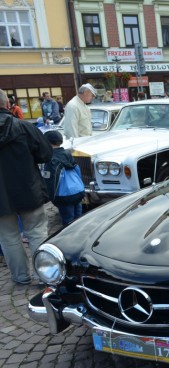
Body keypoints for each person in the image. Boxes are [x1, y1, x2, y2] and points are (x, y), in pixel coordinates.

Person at [0, 88, 53, 285]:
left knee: (8, 237)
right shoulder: (23, 127)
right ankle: (44, 275)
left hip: (1, 197)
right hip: (27, 188)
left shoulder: (23, 127)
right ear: (7, 104)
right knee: (37, 232)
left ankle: (20, 277)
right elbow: (46, 153)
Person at [43, 131, 84, 225]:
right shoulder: (67, 153)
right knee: (78, 218)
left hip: (64, 195)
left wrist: (50, 197)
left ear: (46, 142)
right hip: (78, 189)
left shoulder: (50, 158)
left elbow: (51, 180)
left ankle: (69, 238)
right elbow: (77, 169)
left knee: (68, 220)